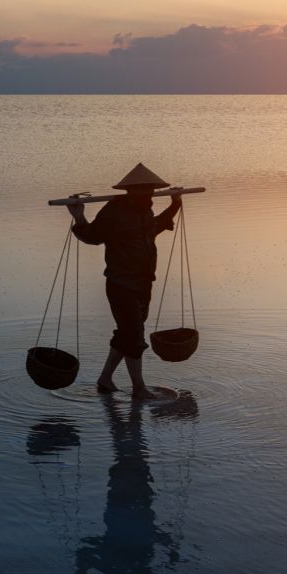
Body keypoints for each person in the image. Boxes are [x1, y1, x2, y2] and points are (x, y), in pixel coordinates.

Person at [68, 163, 181, 400]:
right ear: (130, 191)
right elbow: (93, 236)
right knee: (134, 335)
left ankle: (105, 379)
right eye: (144, 190)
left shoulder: (145, 211)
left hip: (144, 282)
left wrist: (175, 205)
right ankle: (138, 388)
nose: (149, 195)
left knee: (128, 333)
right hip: (122, 284)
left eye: (151, 190)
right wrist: (79, 217)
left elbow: (153, 228)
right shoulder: (114, 211)